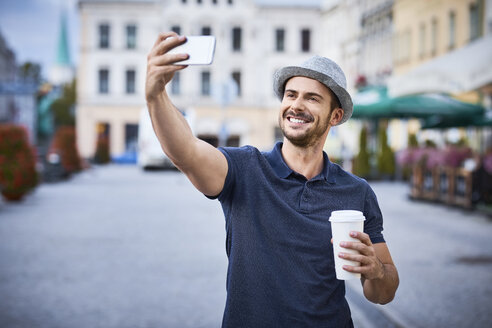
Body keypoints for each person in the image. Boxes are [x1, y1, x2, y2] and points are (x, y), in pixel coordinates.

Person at [145, 32, 399, 328]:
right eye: (291, 95)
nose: (296, 105)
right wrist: (155, 95)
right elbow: (186, 151)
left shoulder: (357, 192)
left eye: (312, 98)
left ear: (335, 115)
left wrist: (376, 271)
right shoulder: (244, 169)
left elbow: (382, 293)